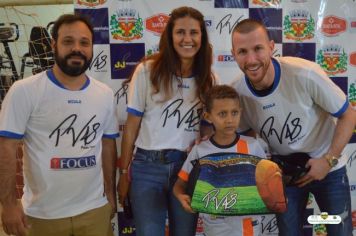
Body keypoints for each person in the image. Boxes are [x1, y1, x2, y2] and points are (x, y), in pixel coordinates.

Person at [230, 18, 356, 235]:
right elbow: (245, 135)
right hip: (284, 175)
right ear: (233, 54)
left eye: (258, 48)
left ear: (271, 47)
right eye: (242, 51)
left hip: (329, 169)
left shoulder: (304, 73)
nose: (251, 59)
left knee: (340, 231)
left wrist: (328, 160)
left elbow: (348, 115)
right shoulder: (237, 92)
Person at [0, 14, 119, 236]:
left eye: (84, 42)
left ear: (92, 47)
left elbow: (109, 145)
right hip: (42, 215)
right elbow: (6, 148)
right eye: (68, 41)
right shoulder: (24, 90)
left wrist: (110, 195)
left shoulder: (104, 94)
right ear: (54, 45)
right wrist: (7, 205)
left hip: (93, 211)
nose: (77, 48)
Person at [117, 6, 217, 236]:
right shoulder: (147, 71)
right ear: (170, 36)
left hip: (187, 168)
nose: (187, 39)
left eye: (194, 32)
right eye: (180, 32)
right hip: (147, 167)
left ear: (202, 36)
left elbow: (207, 130)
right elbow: (131, 126)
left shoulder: (209, 79)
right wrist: (123, 174)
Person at [173, 84, 267, 236]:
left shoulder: (253, 146)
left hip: (247, 225)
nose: (230, 119)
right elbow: (179, 184)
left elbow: (267, 182)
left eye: (234, 113)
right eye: (222, 114)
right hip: (214, 227)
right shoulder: (200, 150)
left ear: (240, 113)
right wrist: (181, 197)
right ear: (208, 117)